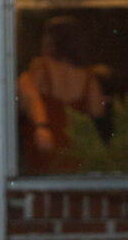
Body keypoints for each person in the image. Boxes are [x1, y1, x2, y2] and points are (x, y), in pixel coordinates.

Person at [18, 14, 105, 172]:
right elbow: (98, 111)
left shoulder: (41, 67)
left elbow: (28, 99)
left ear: (52, 40)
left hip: (46, 144)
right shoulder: (88, 76)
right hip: (75, 147)